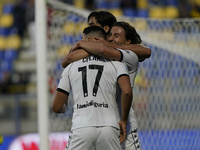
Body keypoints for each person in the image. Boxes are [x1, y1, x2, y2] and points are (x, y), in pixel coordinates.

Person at [61, 21, 144, 150]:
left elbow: (100, 49)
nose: (110, 38)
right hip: (109, 126)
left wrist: (81, 43)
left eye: (116, 35)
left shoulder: (130, 57)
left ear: (128, 42)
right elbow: (70, 58)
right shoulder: (110, 59)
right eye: (109, 34)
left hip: (125, 129)